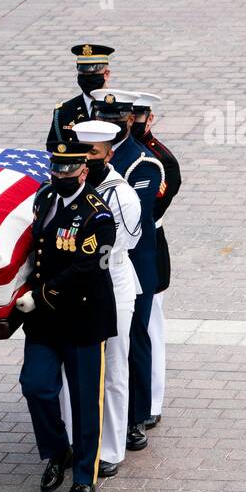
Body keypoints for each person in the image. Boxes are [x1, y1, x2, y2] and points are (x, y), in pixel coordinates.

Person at [14, 140, 118, 492]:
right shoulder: (44, 199)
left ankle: (84, 475)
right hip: (44, 321)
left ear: (84, 172)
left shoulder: (98, 215)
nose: (60, 176)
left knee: (86, 400)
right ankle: (58, 450)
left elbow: (86, 269)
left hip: (83, 319)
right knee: (35, 385)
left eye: (68, 171)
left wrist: (40, 296)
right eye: (55, 170)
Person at [90, 89, 164, 452]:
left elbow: (138, 219)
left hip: (129, 266)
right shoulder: (87, 159)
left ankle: (136, 418)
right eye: (107, 116)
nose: (116, 123)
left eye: (120, 118)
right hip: (93, 268)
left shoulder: (143, 163)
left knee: (132, 344)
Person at [72, 119, 142, 478]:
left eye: (93, 153)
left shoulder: (122, 195)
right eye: (82, 151)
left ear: (109, 154)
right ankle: (76, 442)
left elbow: (119, 245)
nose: (86, 159)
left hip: (111, 281)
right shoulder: (68, 187)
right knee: (75, 369)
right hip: (75, 283)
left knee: (114, 368)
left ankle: (111, 448)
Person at [129, 93, 180, 430]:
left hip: (149, 244)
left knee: (149, 325)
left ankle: (152, 402)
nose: (133, 123)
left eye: (138, 117)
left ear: (151, 118)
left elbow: (153, 210)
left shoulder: (160, 160)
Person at [48, 44, 114, 151]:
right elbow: (53, 150)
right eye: (83, 74)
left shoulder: (120, 108)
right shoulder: (64, 111)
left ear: (106, 74)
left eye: (93, 74)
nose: (87, 79)